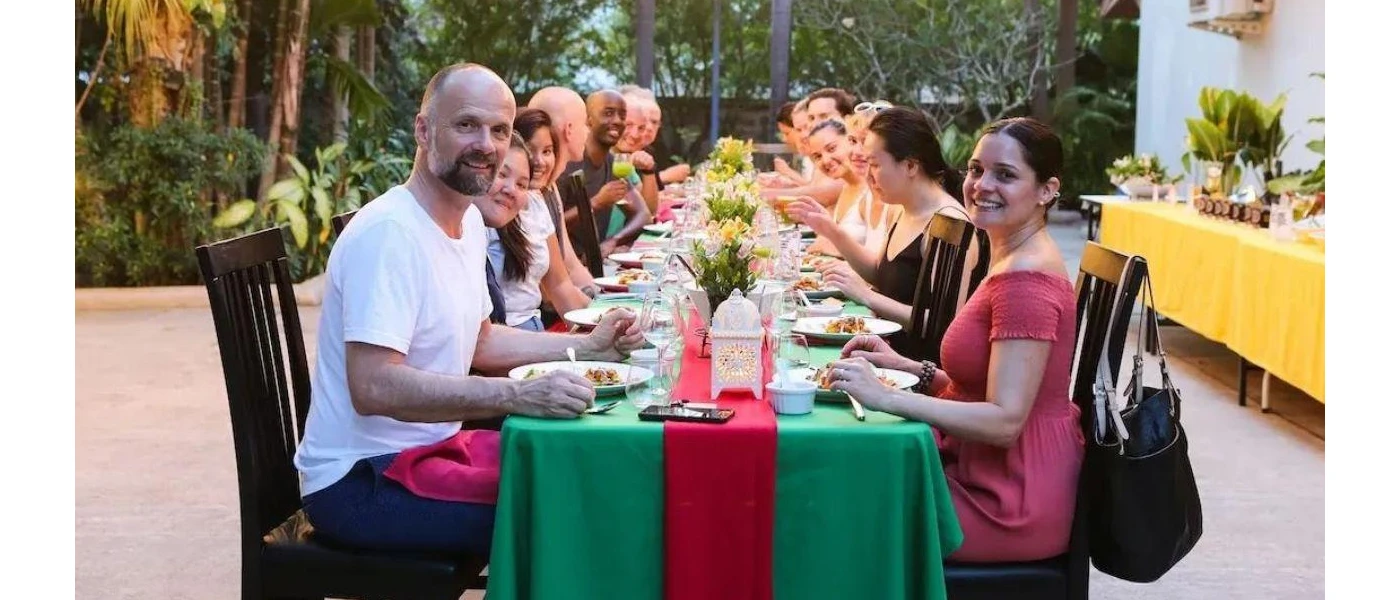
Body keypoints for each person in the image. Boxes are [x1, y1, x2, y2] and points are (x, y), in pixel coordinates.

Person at [294, 63, 645, 555]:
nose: (486, 143)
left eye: (499, 130)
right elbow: (372, 385)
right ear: (422, 129)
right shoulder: (390, 233)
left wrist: (586, 346)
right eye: (466, 125)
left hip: (433, 452)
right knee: (575, 508)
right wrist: (515, 395)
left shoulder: (468, 225)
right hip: (363, 480)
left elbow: (482, 340)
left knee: (592, 469)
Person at [823, 117, 1082, 564]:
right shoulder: (1010, 254)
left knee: (843, 512)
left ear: (1046, 190)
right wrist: (912, 369)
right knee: (847, 479)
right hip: (980, 469)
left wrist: (885, 396)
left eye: (1006, 175)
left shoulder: (1027, 278)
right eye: (977, 169)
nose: (982, 185)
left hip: (1008, 499)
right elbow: (990, 385)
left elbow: (1004, 421)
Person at [785, 107, 974, 355]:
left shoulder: (950, 223)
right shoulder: (903, 210)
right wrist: (829, 229)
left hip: (913, 371)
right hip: (883, 351)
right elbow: (880, 273)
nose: (869, 177)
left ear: (910, 165)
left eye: (874, 164)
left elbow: (941, 324)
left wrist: (868, 297)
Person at [486, 128, 591, 331]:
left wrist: (597, 329)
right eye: (502, 174)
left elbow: (561, 286)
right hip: (508, 339)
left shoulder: (534, 201)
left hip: (537, 330)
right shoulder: (472, 219)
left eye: (521, 184)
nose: (510, 189)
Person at [525, 87, 600, 296]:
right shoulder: (522, 192)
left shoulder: (551, 188)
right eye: (585, 123)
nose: (588, 132)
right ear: (569, 129)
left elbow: (571, 264)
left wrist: (607, 301)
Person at [560, 89, 652, 258]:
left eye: (622, 115)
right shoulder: (567, 163)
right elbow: (548, 226)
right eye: (608, 113)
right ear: (588, 120)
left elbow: (644, 214)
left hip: (596, 267)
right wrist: (595, 203)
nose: (617, 121)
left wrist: (614, 241)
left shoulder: (614, 163)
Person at [794, 119, 879, 258]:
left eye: (832, 148)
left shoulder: (874, 190)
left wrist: (830, 246)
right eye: (817, 156)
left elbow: (880, 257)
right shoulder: (846, 187)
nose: (826, 160)